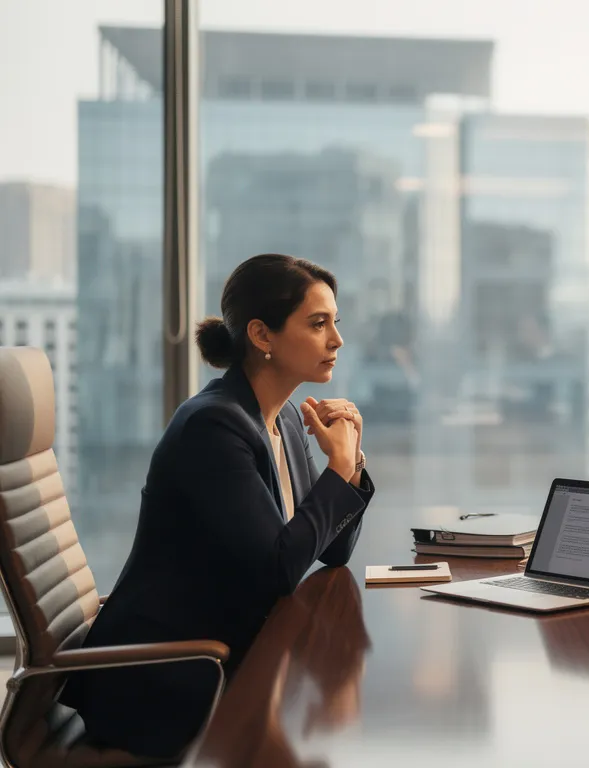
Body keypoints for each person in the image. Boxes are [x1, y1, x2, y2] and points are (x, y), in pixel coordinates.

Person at [61, 254, 375, 757]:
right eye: (319, 324)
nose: (337, 339)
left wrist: (351, 461)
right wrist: (336, 468)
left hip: (225, 651)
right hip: (163, 678)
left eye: (335, 322)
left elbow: (332, 549)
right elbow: (279, 569)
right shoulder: (213, 428)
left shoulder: (284, 419)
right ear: (262, 335)